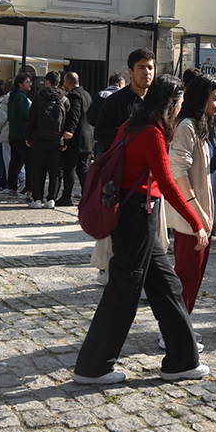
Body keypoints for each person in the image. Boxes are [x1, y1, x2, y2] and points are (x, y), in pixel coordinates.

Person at [72, 74, 211, 384]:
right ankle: (92, 367)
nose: (180, 110)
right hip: (137, 216)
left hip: (136, 214)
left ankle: (182, 361)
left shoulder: (133, 123)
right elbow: (168, 183)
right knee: (124, 291)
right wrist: (195, 222)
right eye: (180, 104)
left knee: (166, 286)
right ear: (172, 104)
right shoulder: (151, 134)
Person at [167, 75, 216, 351]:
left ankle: (180, 327)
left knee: (194, 276)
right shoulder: (186, 126)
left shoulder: (202, 125)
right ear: (200, 98)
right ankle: (173, 333)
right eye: (215, 98)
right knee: (186, 275)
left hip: (204, 211)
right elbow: (178, 171)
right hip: (191, 215)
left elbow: (200, 166)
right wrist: (197, 212)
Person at [90, 50, 156, 285]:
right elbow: (100, 133)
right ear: (130, 72)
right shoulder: (116, 101)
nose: (147, 72)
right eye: (141, 67)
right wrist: (127, 132)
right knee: (114, 231)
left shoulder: (155, 102)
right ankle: (108, 270)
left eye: (150, 67)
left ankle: (143, 278)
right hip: (119, 177)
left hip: (149, 181)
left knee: (150, 237)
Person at [26, 71, 70, 207]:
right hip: (57, 140)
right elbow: (67, 122)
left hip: (39, 139)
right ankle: (51, 198)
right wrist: (65, 141)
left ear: (48, 82)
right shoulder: (65, 99)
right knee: (54, 170)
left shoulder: (39, 97)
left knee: (38, 169)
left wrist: (28, 137)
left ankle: (37, 198)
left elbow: (32, 118)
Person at [57, 72, 92, 206]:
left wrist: (69, 131)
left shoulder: (74, 95)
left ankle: (66, 197)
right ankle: (87, 195)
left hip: (76, 138)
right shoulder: (86, 94)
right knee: (83, 169)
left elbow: (75, 114)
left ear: (68, 83)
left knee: (69, 168)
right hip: (87, 137)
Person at [6, 72, 33, 196]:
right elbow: (26, 113)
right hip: (22, 134)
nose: (30, 84)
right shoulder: (21, 96)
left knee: (15, 162)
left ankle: (12, 187)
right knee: (29, 161)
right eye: (27, 82)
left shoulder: (12, 96)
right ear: (20, 84)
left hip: (13, 134)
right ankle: (30, 188)